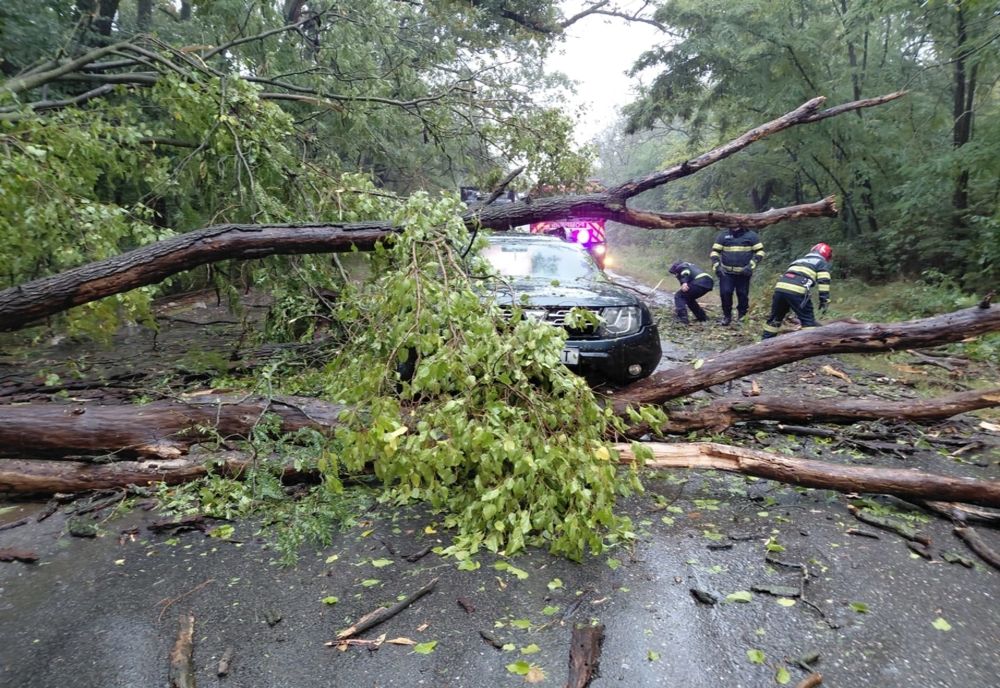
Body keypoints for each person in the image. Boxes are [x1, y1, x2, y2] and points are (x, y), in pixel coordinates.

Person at [762, 243, 833, 339]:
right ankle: (812, 349)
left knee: (775, 319)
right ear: (826, 255)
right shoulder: (821, 262)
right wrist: (824, 300)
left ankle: (765, 343)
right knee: (808, 322)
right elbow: (824, 281)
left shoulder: (798, 260)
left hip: (780, 289)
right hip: (798, 290)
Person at [709, 225, 765, 325]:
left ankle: (742, 317)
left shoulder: (751, 236)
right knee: (725, 293)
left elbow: (760, 252)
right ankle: (727, 317)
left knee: (742, 294)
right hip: (726, 272)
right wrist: (717, 266)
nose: (733, 224)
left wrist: (751, 265)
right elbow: (714, 252)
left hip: (744, 273)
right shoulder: (723, 235)